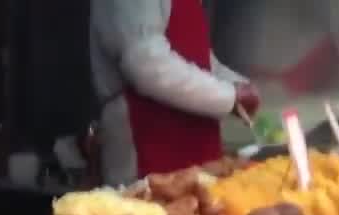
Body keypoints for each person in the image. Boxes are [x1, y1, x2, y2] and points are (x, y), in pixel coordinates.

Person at [90, 0, 261, 185]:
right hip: (146, 133)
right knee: (148, 201)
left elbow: (196, 56)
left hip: (197, 140)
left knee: (203, 198)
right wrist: (228, 95)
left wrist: (234, 84)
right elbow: (145, 62)